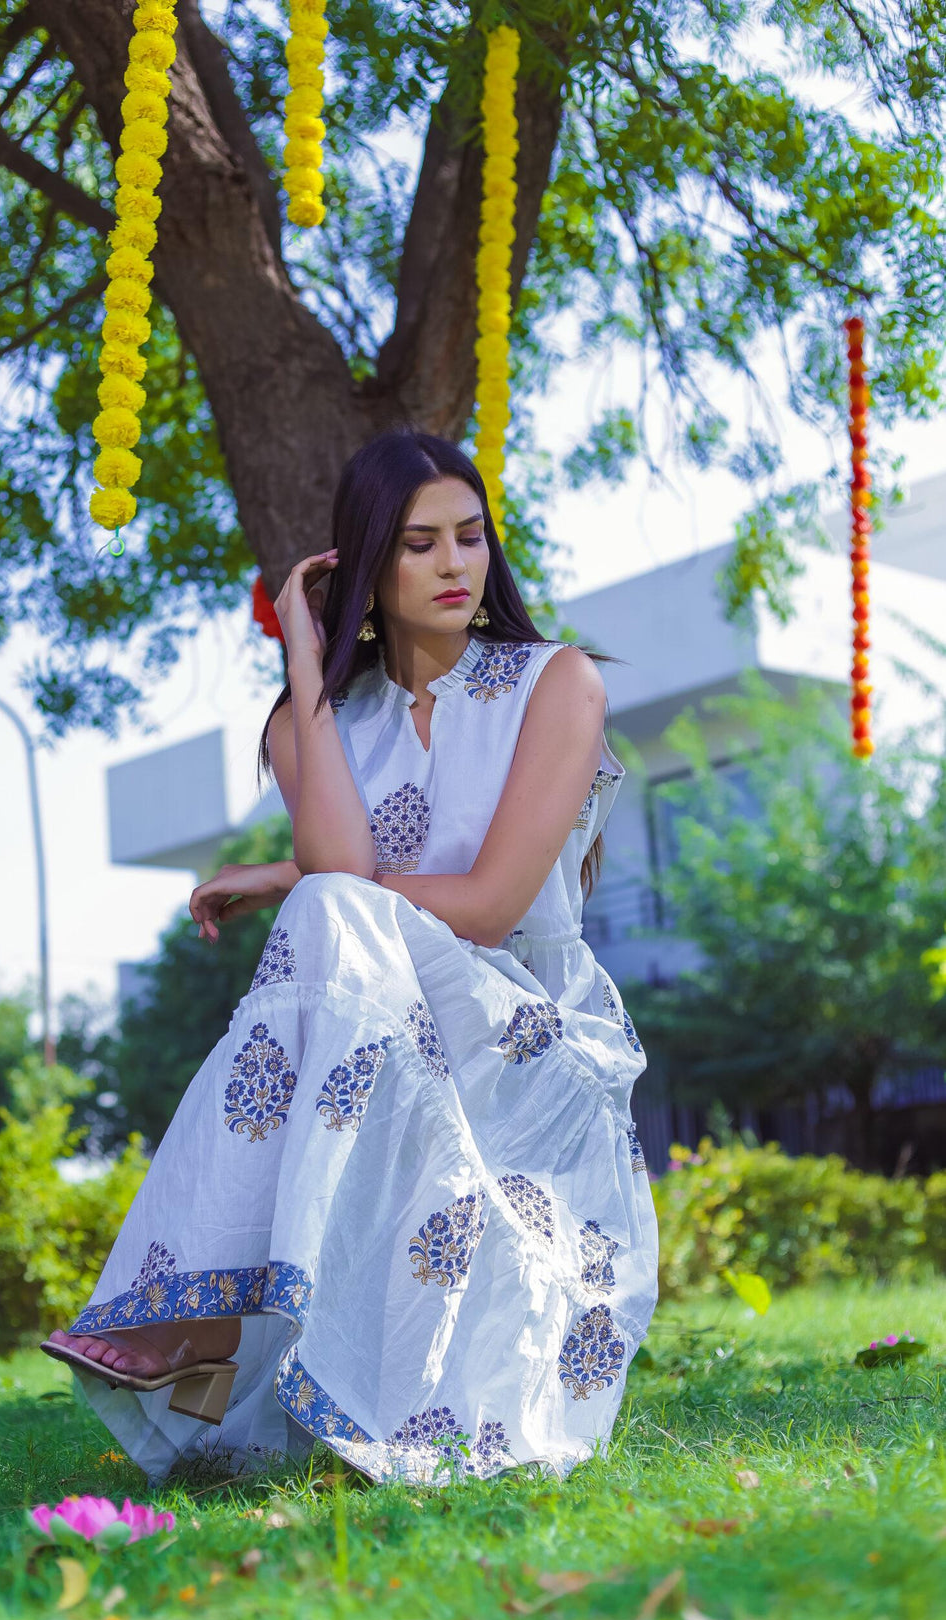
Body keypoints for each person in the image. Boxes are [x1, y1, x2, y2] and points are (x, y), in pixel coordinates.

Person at [43, 428, 658, 1486]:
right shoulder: (310, 723)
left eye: (469, 537)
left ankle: (208, 1320)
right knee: (329, 915)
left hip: (526, 1037)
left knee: (325, 910)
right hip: (378, 1025)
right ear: (365, 565)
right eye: (418, 544)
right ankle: (218, 1322)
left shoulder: (553, 686)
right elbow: (338, 868)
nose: (456, 564)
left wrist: (292, 882)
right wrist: (304, 658)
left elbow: (489, 905)